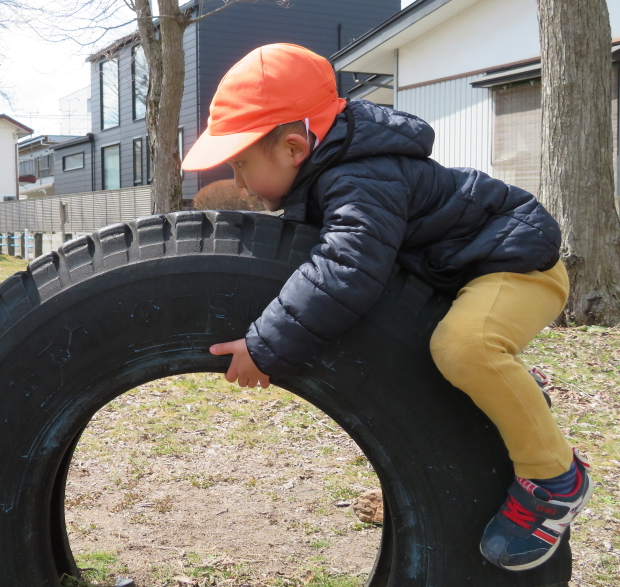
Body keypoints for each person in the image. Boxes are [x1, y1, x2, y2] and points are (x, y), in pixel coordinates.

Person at [180, 43, 594, 572]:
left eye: (240, 163)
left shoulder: (360, 179)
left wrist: (266, 345)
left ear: (292, 148)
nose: (237, 182)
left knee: (463, 348)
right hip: (458, 269)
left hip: (515, 264)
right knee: (442, 353)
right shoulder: (332, 169)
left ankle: (557, 481)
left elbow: (347, 272)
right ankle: (509, 384)